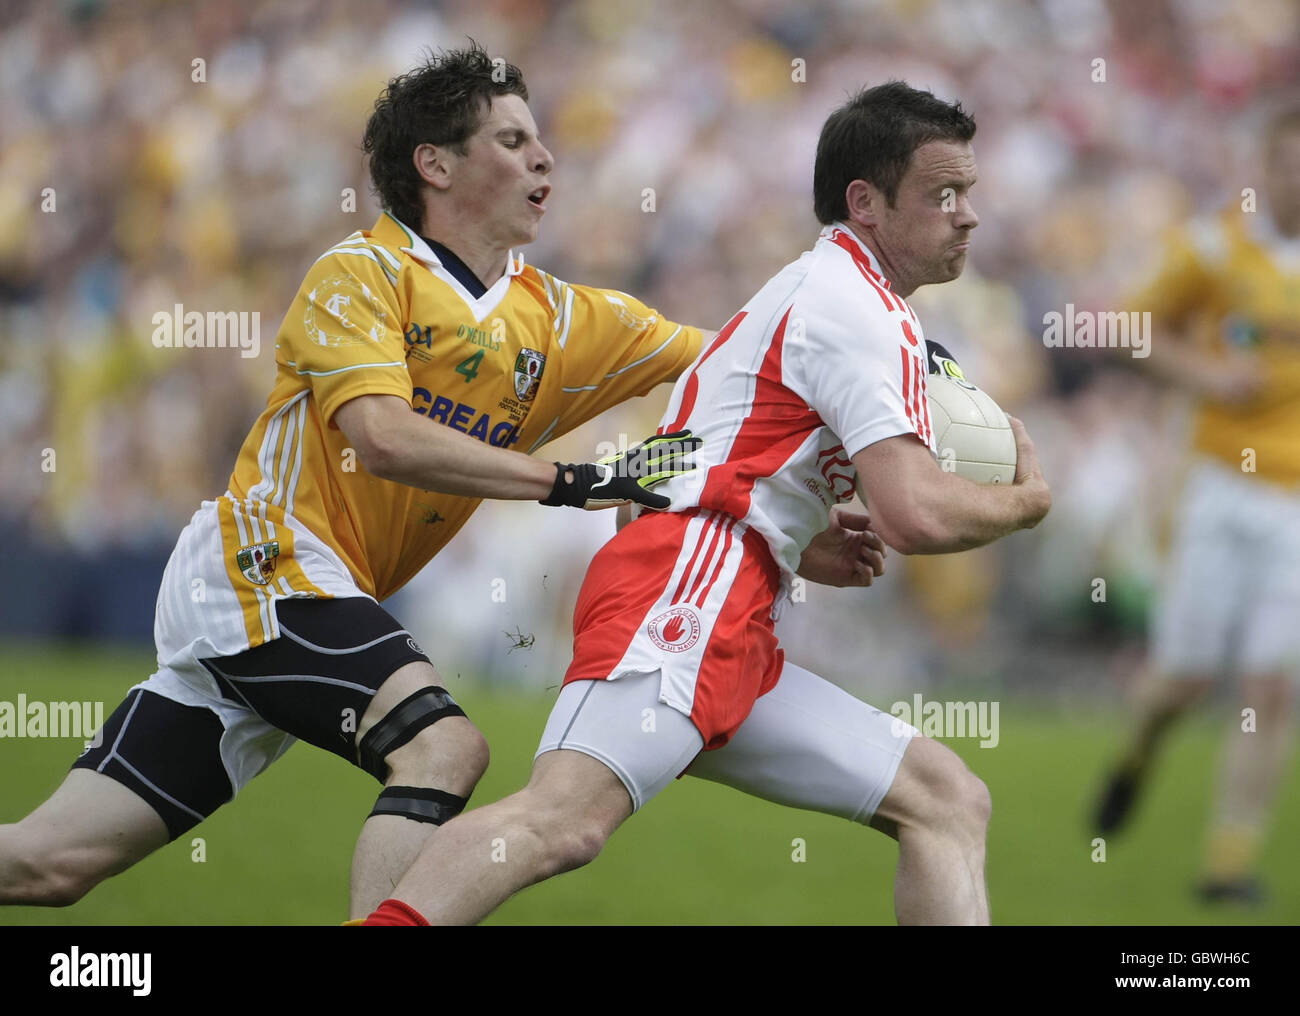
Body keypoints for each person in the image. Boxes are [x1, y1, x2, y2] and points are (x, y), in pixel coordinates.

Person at [0, 43, 713, 921]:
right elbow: (381, 437)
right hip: (264, 563)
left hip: (314, 598)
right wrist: (569, 480)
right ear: (436, 164)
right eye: (512, 138)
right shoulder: (361, 274)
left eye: (540, 138)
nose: (545, 156)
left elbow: (743, 361)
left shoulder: (565, 320)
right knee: (443, 749)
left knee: (44, 866)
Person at [363, 81, 1052, 927]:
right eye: (942, 194)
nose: (967, 214)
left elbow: (678, 468)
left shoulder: (819, 290)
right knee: (560, 823)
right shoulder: (857, 309)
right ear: (865, 203)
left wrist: (791, 540)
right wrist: (1024, 503)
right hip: (691, 586)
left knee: (946, 797)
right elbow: (914, 515)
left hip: (720, 590)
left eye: (970, 193)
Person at [1092, 106, 1300, 904]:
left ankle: (1228, 862)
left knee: (1271, 685)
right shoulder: (1216, 248)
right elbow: (1127, 328)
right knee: (1185, 676)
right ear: (1267, 166)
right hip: (1219, 482)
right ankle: (1139, 746)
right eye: (1289, 161)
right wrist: (1205, 378)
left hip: (1293, 501)